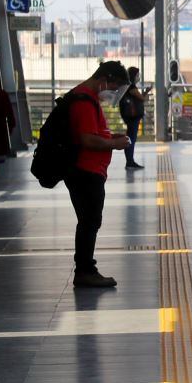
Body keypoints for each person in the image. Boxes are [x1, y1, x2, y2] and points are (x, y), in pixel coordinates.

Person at [65, 60, 135, 289]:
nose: (114, 93)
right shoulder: (85, 100)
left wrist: (109, 135)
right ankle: (85, 271)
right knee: (89, 221)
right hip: (86, 171)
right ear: (104, 79)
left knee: (89, 220)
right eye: (114, 87)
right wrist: (114, 144)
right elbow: (87, 139)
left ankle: (86, 269)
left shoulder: (86, 97)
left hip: (88, 170)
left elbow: (91, 132)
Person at [118, 65, 145, 170]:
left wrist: (145, 92)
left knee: (131, 137)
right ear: (133, 76)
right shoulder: (131, 87)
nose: (138, 77)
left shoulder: (127, 86)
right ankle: (130, 161)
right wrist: (145, 93)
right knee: (131, 138)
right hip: (132, 116)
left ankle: (130, 160)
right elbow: (141, 98)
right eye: (137, 75)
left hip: (129, 116)